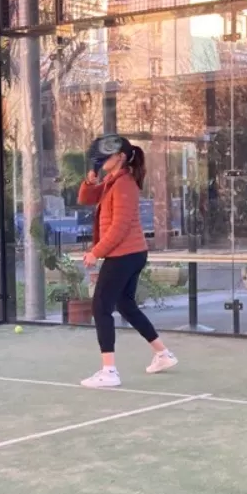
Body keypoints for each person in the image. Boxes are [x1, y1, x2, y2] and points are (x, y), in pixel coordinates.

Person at [77, 136, 177, 388]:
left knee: (101, 307)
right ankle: (163, 354)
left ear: (120, 157)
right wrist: (89, 181)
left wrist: (95, 252)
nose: (102, 161)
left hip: (124, 255)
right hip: (131, 254)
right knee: (126, 305)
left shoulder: (124, 184)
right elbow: (87, 198)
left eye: (106, 156)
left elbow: (120, 227)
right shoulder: (113, 181)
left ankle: (109, 371)